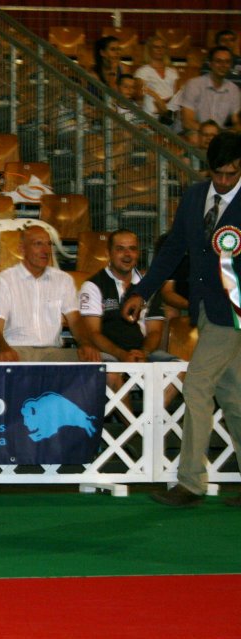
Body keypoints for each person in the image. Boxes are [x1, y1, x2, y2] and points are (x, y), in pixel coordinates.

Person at [120, 131, 241, 507]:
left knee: (197, 386)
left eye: (232, 174)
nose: (224, 180)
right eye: (219, 173)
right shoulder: (193, 197)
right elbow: (173, 248)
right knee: (232, 396)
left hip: (234, 313)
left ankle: (191, 482)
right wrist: (142, 291)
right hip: (204, 308)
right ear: (209, 169)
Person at [79, 230, 178, 404]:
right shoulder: (93, 285)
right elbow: (93, 333)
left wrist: (143, 353)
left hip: (143, 353)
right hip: (109, 353)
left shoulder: (149, 286)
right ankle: (131, 423)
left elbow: (155, 331)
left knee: (181, 369)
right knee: (109, 374)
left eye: (132, 249)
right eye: (120, 249)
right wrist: (122, 355)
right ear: (108, 253)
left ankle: (151, 419)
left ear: (138, 253)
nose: (127, 254)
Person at [0, 225, 100, 363]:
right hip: (15, 349)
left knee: (97, 362)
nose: (46, 250)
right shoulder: (3, 281)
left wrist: (86, 344)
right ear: (22, 249)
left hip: (53, 352)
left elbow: (75, 321)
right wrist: (3, 349)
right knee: (7, 361)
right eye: (38, 244)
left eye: (48, 244)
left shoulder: (63, 280)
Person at [176, 47, 241, 132]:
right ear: (210, 64)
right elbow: (187, 122)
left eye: (227, 62)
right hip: (191, 133)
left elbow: (236, 122)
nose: (223, 65)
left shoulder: (234, 89)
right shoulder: (194, 84)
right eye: (218, 61)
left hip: (218, 135)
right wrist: (213, 133)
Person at [134, 35, 178, 120]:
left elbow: (177, 96)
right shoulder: (142, 71)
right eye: (156, 47)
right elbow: (139, 95)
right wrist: (163, 102)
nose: (159, 50)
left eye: (162, 47)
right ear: (149, 50)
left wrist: (159, 100)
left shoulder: (172, 72)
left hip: (170, 114)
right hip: (151, 115)